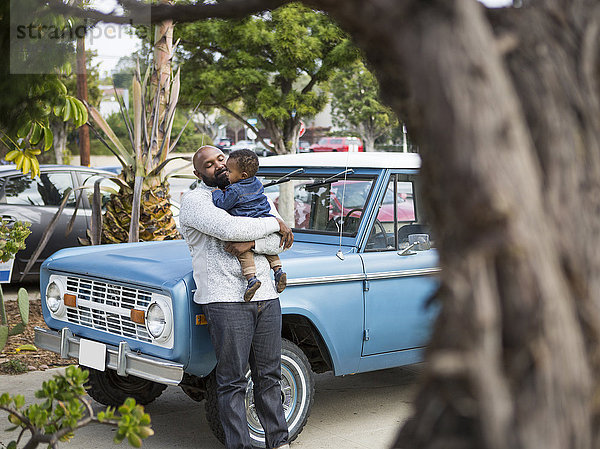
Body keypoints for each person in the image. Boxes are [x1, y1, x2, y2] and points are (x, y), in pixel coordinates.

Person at [179, 145, 292, 449]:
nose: (217, 166)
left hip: (266, 296)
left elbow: (282, 243)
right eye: (208, 164)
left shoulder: (253, 189)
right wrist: (274, 224)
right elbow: (229, 228)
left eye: (220, 159)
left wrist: (256, 240)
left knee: (270, 375)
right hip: (225, 300)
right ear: (198, 173)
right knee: (231, 382)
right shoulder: (195, 201)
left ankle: (279, 443)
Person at [212, 149, 287, 302]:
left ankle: (251, 279)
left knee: (244, 253)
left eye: (229, 171)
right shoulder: (257, 183)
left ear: (243, 175)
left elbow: (222, 204)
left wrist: (216, 192)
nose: (226, 173)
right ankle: (278, 270)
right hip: (264, 218)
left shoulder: (234, 190)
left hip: (245, 221)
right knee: (269, 250)